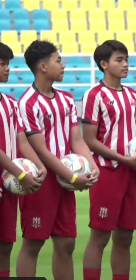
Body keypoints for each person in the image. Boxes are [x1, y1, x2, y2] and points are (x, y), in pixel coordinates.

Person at [16, 40, 99, 280]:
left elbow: (77, 139)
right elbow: (40, 150)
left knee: (66, 243)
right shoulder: (27, 103)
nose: (63, 65)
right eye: (58, 60)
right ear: (43, 67)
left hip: (65, 180)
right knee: (33, 243)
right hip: (42, 180)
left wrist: (93, 167)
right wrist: (72, 176)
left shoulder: (65, 99)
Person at [81, 40, 136, 280]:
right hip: (107, 172)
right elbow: (90, 141)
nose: (126, 65)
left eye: (126, 59)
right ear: (104, 64)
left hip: (131, 172)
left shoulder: (134, 96)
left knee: (125, 236)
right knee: (100, 236)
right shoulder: (93, 95)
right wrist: (125, 159)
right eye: (119, 60)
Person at [0, 41, 47, 278]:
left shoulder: (10, 104)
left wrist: (39, 167)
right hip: (13, 178)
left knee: (6, 245)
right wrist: (20, 174)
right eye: (1, 64)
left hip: (8, 185)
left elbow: (21, 141)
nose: (7, 69)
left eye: (7, 64)